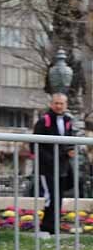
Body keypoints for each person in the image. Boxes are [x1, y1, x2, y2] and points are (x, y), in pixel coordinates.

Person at [34, 92, 75, 237]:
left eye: (61, 103)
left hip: (62, 166)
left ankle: (54, 227)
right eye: (56, 103)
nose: (58, 106)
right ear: (51, 104)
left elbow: (70, 141)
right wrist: (50, 159)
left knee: (58, 197)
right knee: (50, 196)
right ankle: (46, 228)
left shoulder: (68, 121)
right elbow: (35, 145)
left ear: (66, 105)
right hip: (47, 167)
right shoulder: (44, 120)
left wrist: (70, 150)